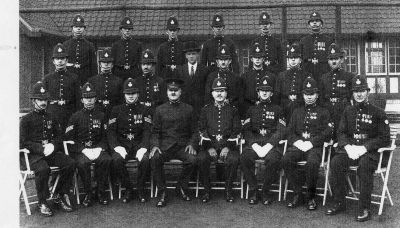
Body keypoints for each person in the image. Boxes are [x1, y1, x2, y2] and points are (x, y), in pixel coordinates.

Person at [326, 75, 391, 222]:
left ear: (367, 92)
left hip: (370, 153)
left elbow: (384, 137)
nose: (359, 94)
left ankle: (364, 207)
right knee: (336, 162)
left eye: (362, 91)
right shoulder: (348, 111)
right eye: (356, 91)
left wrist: (365, 147)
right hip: (352, 150)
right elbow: (341, 132)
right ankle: (339, 202)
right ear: (352, 93)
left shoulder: (378, 112)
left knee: (364, 166)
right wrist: (348, 146)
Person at [20, 81, 75, 216]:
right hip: (33, 155)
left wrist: (53, 145)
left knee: (70, 163)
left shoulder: (52, 117)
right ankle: (42, 201)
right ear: (34, 101)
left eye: (45, 99)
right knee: (43, 169)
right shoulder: (26, 119)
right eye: (40, 99)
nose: (43, 102)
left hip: (50, 152)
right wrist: (40, 148)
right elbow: (23, 142)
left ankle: (60, 194)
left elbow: (59, 136)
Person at [282, 77, 331, 210]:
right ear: (302, 95)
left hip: (314, 147)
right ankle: (298, 193)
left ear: (317, 95)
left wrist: (312, 142)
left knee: (313, 163)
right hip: (298, 146)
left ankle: (311, 196)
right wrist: (297, 142)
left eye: (312, 94)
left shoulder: (324, 111)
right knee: (286, 159)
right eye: (306, 94)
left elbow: (328, 132)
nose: (309, 97)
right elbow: (289, 131)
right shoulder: (297, 111)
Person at [149, 78, 198, 207]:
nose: (173, 93)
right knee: (155, 158)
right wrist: (155, 145)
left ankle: (181, 187)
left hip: (183, 146)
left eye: (176, 90)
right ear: (167, 92)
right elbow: (154, 131)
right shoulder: (160, 110)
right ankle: (162, 192)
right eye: (171, 90)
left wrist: (192, 144)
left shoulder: (189, 109)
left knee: (192, 160)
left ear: (180, 92)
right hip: (165, 146)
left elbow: (195, 131)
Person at [65, 82, 112, 206]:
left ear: (95, 99)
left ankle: (101, 192)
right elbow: (69, 138)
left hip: (98, 148)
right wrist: (82, 149)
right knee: (82, 162)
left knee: (106, 160)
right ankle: (88, 193)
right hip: (82, 150)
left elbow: (107, 135)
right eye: (86, 98)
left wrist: (100, 148)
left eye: (91, 98)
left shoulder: (102, 115)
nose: (89, 101)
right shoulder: (75, 117)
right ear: (82, 100)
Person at [240, 76, 286, 205]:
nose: (264, 93)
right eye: (261, 90)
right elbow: (246, 130)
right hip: (255, 144)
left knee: (274, 160)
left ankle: (265, 191)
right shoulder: (251, 109)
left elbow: (281, 130)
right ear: (258, 92)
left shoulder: (278, 109)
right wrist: (253, 144)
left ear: (271, 93)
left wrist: (270, 144)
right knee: (244, 158)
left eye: (267, 90)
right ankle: (254, 190)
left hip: (271, 145)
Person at [108, 78, 152, 203]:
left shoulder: (145, 109)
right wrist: (117, 147)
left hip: (139, 144)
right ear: (124, 95)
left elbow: (147, 130)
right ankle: (128, 188)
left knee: (145, 160)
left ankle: (140, 188)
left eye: (133, 93)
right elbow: (111, 131)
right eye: (128, 94)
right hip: (123, 145)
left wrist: (144, 147)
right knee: (116, 160)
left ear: (138, 94)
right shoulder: (116, 110)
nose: (131, 96)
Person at [198, 77, 241, 203]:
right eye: (217, 91)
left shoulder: (233, 110)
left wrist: (227, 147)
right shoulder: (205, 110)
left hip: (228, 146)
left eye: (222, 91)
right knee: (201, 159)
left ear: (226, 93)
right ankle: (206, 191)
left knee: (233, 159)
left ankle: (228, 190)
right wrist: (209, 147)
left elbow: (237, 129)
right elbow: (201, 129)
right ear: (212, 94)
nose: (219, 94)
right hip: (209, 146)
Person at [319, 43, 354, 141]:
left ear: (341, 60)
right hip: (328, 111)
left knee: (342, 136)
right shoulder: (324, 78)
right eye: (331, 59)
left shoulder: (349, 77)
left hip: (343, 111)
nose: (333, 61)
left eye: (336, 58)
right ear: (328, 61)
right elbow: (321, 98)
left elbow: (353, 97)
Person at [43, 43, 80, 132]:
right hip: (52, 114)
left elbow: (78, 99)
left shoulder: (74, 77)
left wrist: (76, 116)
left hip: (70, 114)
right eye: (57, 59)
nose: (60, 61)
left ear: (66, 60)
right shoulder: (47, 78)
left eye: (62, 58)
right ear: (53, 61)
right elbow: (44, 99)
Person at [275, 43, 311, 121]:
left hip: (301, 107)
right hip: (284, 108)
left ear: (300, 60)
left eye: (296, 58)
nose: (293, 60)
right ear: (288, 60)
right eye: (291, 58)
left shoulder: (307, 75)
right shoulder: (281, 76)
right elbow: (277, 96)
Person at [176, 41, 209, 122]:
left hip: (200, 106)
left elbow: (207, 90)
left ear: (197, 55)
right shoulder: (180, 70)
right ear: (186, 56)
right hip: (184, 106)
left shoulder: (205, 70)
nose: (191, 56)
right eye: (189, 54)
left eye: (193, 54)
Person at [241, 42, 277, 116]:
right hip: (249, 107)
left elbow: (274, 95)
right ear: (251, 59)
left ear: (263, 59)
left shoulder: (271, 76)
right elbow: (242, 97)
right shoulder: (245, 76)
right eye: (255, 57)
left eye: (259, 57)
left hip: (267, 109)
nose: (257, 59)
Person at [299, 11, 334, 84]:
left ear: (321, 24)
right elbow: (300, 58)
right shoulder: (304, 40)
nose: (314, 23)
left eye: (317, 21)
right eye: (312, 21)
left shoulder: (328, 40)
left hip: (323, 71)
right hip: (307, 71)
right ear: (309, 25)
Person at [88, 47, 123, 120]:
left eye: (108, 62)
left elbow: (121, 100)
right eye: (104, 62)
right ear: (100, 64)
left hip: (113, 112)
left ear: (112, 65)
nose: (106, 65)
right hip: (97, 112)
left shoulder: (119, 81)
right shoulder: (92, 80)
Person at [63, 14, 97, 86]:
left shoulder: (90, 45)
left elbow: (93, 66)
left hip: (85, 78)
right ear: (72, 29)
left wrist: (92, 82)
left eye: (81, 27)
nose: (78, 29)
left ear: (84, 29)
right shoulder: (66, 45)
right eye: (76, 27)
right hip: (70, 78)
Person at [204, 44, 242, 109]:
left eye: (226, 59)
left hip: (231, 109)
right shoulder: (211, 76)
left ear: (230, 61)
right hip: (215, 109)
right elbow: (208, 96)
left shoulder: (236, 77)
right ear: (217, 61)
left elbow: (239, 97)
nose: (223, 62)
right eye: (221, 60)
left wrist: (229, 101)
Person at [111, 16, 143, 81]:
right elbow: (113, 63)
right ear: (121, 30)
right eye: (125, 28)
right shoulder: (115, 45)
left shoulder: (137, 45)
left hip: (133, 73)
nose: (127, 30)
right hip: (119, 74)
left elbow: (140, 62)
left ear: (132, 30)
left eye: (129, 28)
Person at [136, 49, 166, 115]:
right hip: (141, 112)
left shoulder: (160, 81)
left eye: (148, 64)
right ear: (140, 66)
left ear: (153, 65)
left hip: (156, 112)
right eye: (143, 64)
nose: (146, 67)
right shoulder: (136, 81)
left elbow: (163, 100)